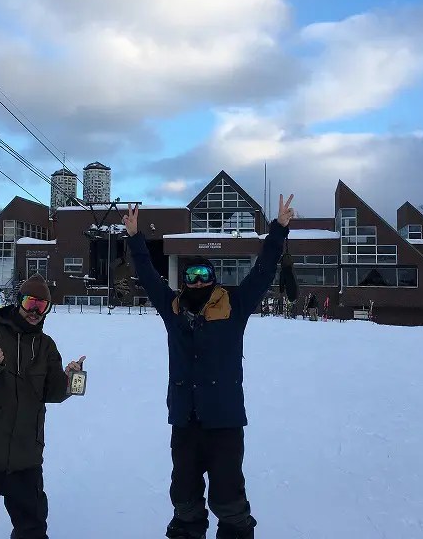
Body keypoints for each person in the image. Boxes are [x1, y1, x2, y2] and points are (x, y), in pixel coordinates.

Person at [123, 194, 295, 539]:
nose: (198, 280)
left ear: (213, 279)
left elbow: (262, 273)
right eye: (191, 274)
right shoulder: (172, 310)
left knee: (229, 501)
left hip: (224, 423)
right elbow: (147, 274)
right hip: (185, 423)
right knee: (184, 500)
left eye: (204, 274)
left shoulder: (234, 307)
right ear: (184, 280)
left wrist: (278, 230)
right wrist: (134, 238)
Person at [0, 273, 86, 539]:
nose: (35, 311)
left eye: (41, 306)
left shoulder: (46, 346)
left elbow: (53, 393)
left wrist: (72, 379)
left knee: (32, 531)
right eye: (30, 303)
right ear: (18, 302)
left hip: (26, 459)